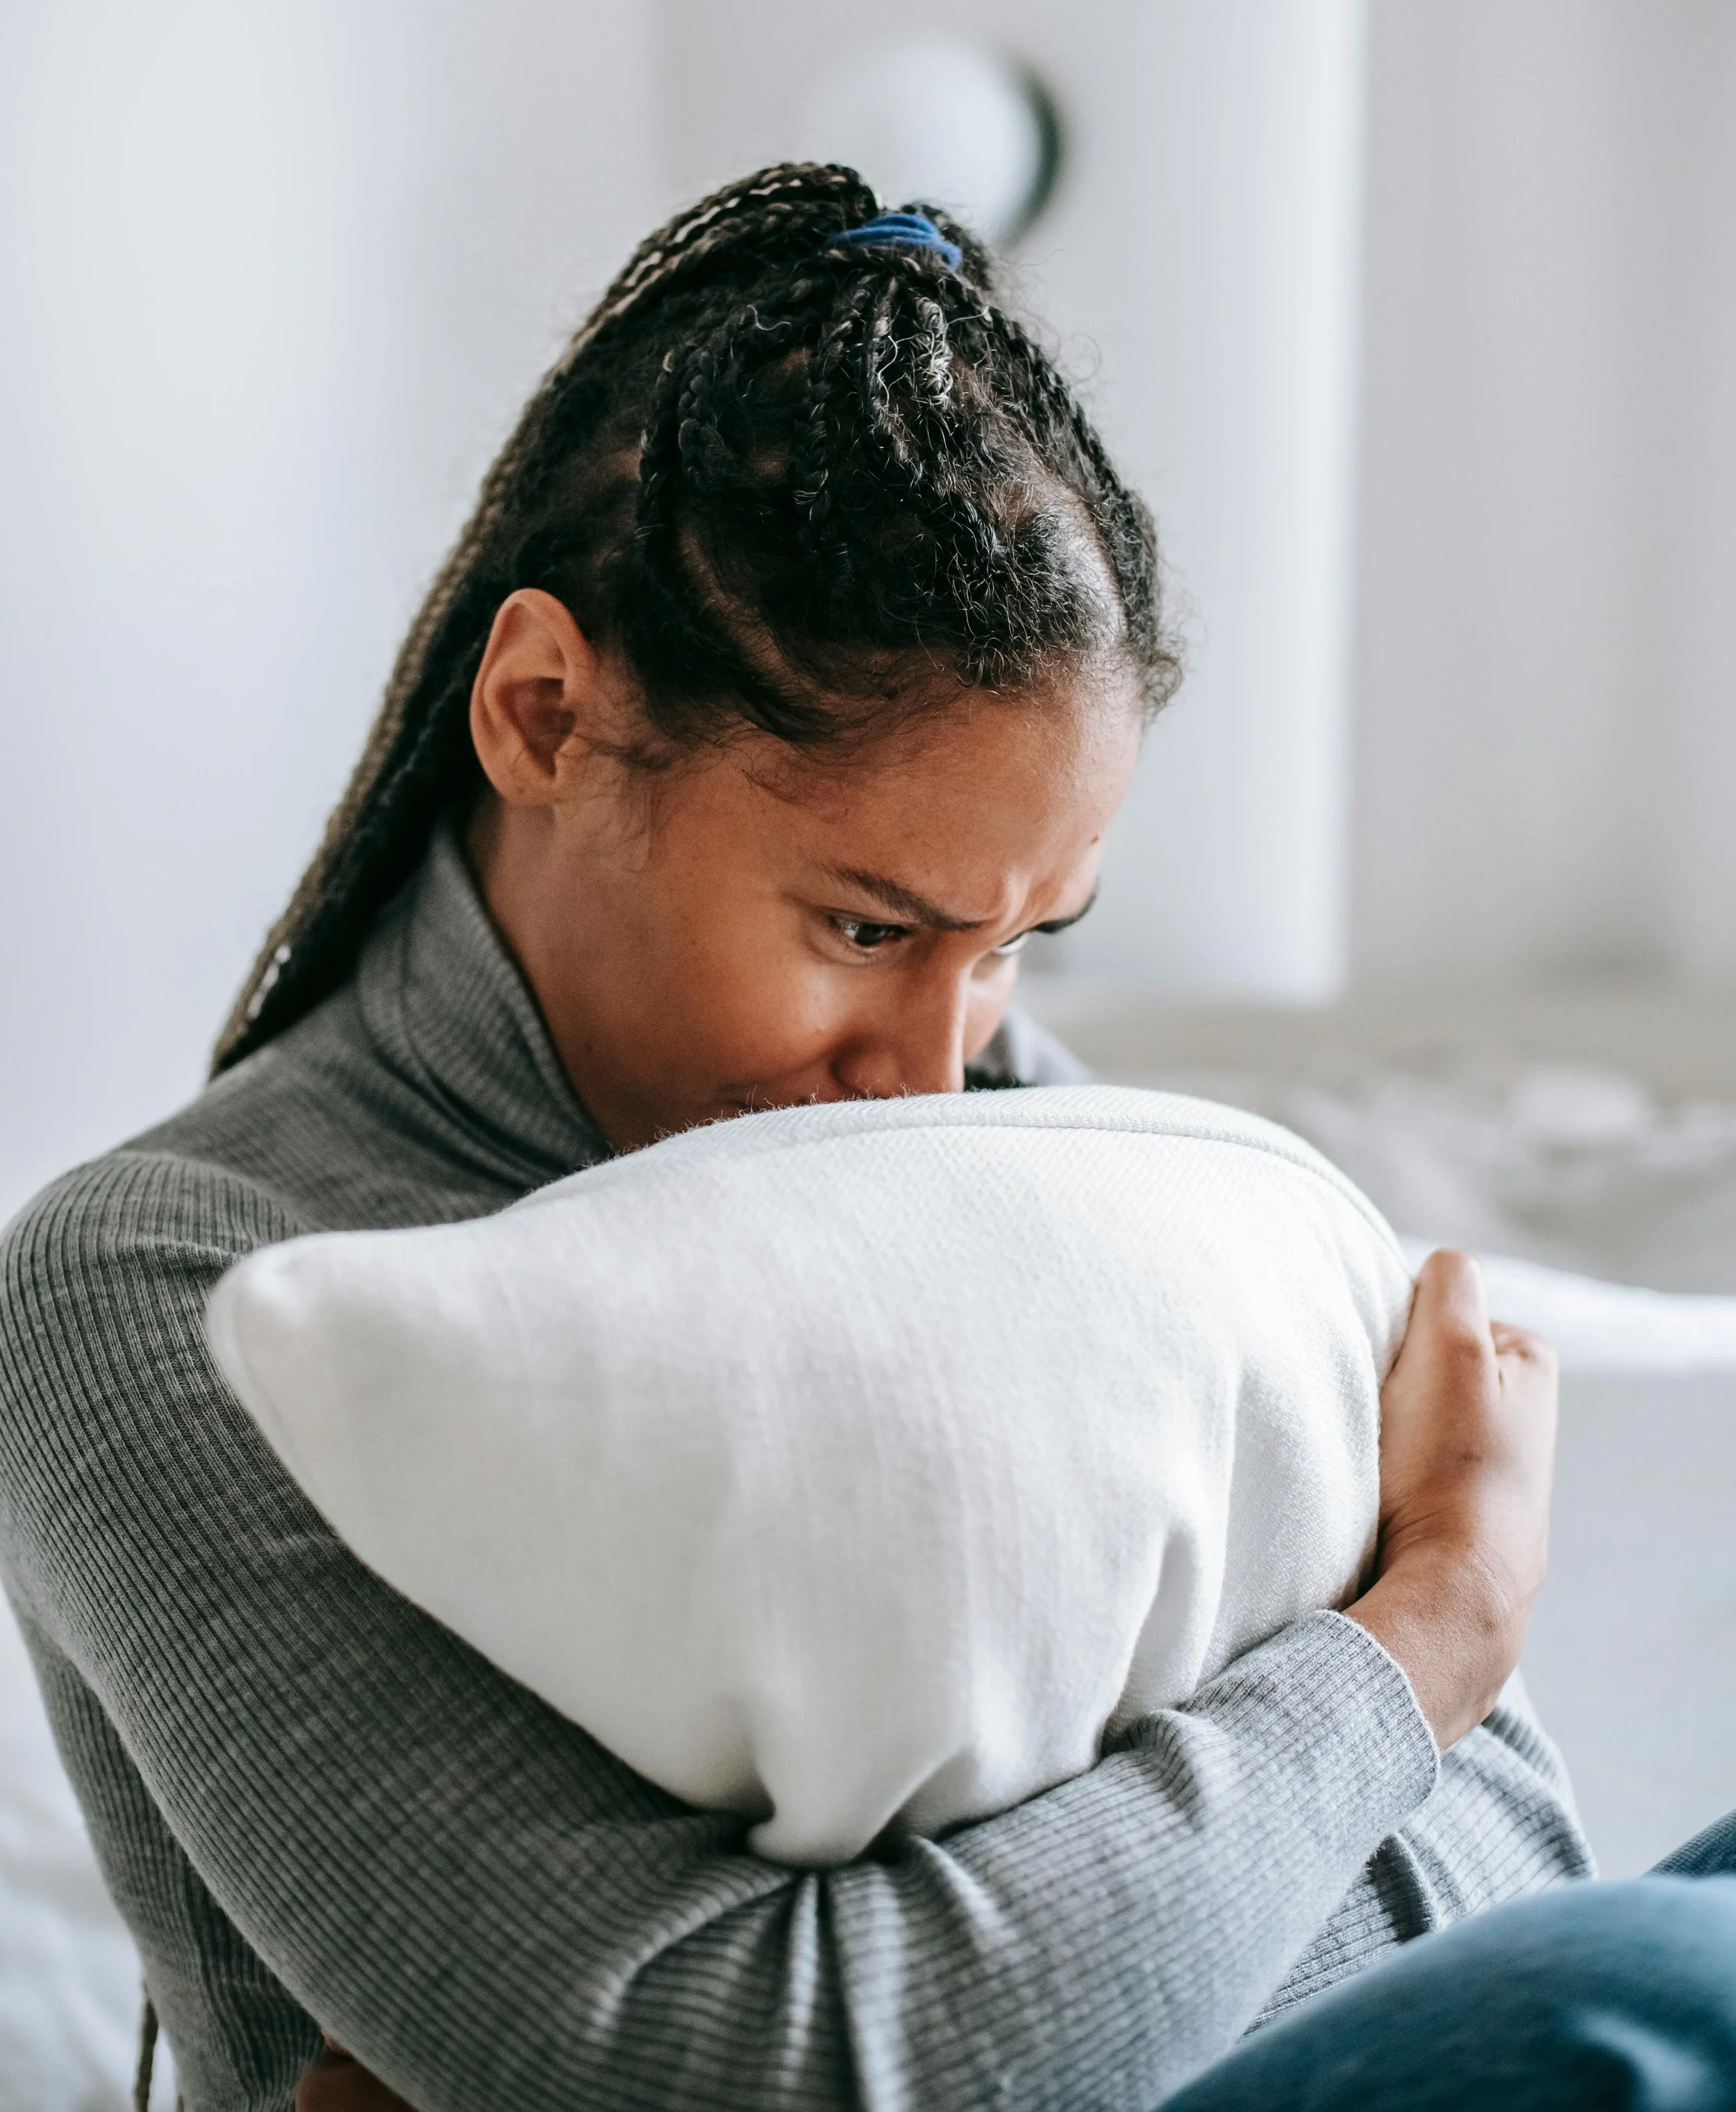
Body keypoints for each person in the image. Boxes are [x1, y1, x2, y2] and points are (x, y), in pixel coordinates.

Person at [0, 162, 1700, 2112]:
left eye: (1011, 949)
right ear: (544, 712)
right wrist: (1425, 1628)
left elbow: (1486, 1856)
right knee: (1648, 1987)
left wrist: (1017, 1932)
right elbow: (758, 2070)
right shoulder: (167, 1283)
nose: (935, 1063)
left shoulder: (1032, 1130)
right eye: (866, 927)